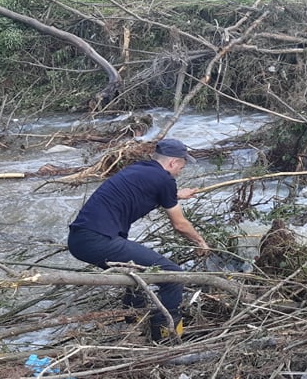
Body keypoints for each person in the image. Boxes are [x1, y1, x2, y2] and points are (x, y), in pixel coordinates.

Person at [67, 138, 209, 343]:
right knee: (174, 275)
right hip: (98, 240)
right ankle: (167, 336)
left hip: (81, 238)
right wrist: (200, 242)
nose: (180, 171)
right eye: (182, 166)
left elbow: (153, 192)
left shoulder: (141, 169)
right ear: (172, 163)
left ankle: (132, 326)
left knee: (135, 272)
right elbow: (180, 224)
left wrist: (178, 195)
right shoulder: (164, 180)